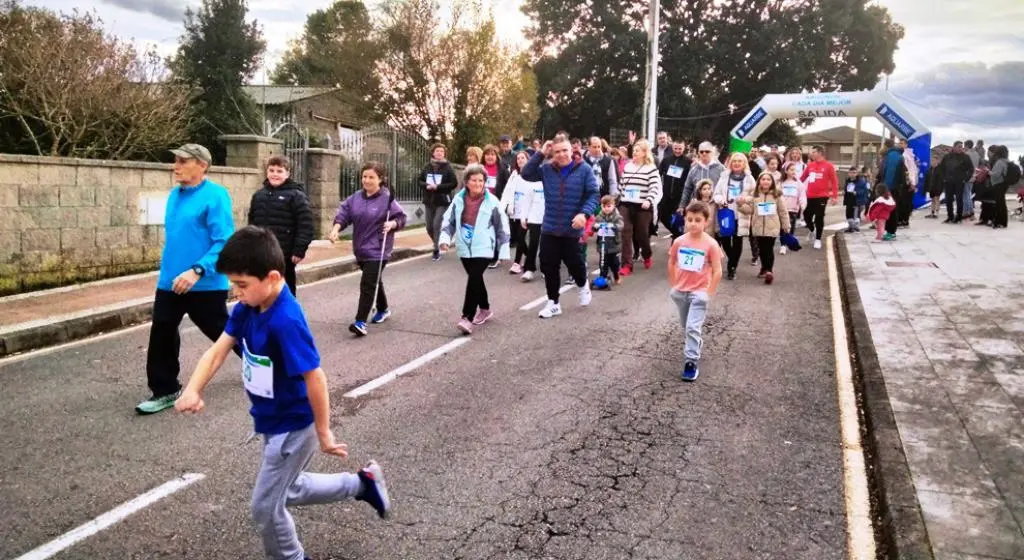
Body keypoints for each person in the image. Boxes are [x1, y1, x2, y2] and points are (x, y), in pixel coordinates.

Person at [174, 226, 390, 560]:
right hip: (271, 419)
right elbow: (217, 351)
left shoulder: (286, 320)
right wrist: (192, 389)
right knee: (290, 488)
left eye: (242, 284)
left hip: (293, 424)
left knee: (265, 507)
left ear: (273, 277)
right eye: (233, 283)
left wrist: (323, 431)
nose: (235, 292)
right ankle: (363, 484)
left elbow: (314, 376)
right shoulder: (249, 307)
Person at [136, 143, 235, 415]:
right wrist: (172, 274)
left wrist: (197, 270)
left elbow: (223, 241)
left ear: (202, 165)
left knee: (225, 333)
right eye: (176, 161)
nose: (176, 166)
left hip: (204, 283)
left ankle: (267, 366)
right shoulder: (174, 195)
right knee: (162, 333)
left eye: (183, 161)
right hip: (170, 282)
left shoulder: (216, 196)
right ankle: (165, 389)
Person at [520, 138, 601, 319]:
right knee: (549, 264)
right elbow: (526, 173)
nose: (561, 155)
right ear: (552, 153)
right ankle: (553, 302)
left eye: (564, 150)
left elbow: (594, 195)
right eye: (557, 152)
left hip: (572, 227)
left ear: (571, 150)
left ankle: (582, 284)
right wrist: (541, 153)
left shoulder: (584, 170)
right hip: (549, 226)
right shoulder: (547, 169)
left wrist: (584, 214)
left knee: (574, 263)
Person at [329, 163, 406, 337]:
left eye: (371, 177)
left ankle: (360, 321)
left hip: (379, 248)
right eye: (364, 176)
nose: (367, 180)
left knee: (368, 284)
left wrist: (393, 224)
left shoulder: (387, 198)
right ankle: (384, 308)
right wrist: (335, 229)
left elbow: (401, 217)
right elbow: (344, 214)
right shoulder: (356, 197)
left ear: (380, 179)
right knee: (375, 280)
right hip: (361, 248)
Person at [438, 164, 511, 334]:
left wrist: (504, 250)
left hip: (485, 246)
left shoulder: (492, 202)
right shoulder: (458, 199)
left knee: (474, 277)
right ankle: (485, 309)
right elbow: (448, 220)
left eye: (481, 180)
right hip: (465, 246)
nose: (478, 183)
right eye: (474, 180)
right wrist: (444, 239)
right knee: (475, 278)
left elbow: (502, 226)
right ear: (466, 182)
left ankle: (467, 317)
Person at [667, 200, 724, 382]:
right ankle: (696, 343)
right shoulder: (679, 241)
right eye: (689, 219)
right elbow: (671, 262)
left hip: (699, 292)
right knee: (686, 326)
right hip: (680, 291)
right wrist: (674, 284)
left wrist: (709, 292)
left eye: (698, 220)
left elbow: (717, 270)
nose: (693, 223)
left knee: (692, 327)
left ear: (706, 222)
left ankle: (691, 362)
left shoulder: (711, 244)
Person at [248, 156, 313, 297]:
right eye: (271, 170)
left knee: (284, 290)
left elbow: (306, 224)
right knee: (263, 290)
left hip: (285, 253)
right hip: (262, 253)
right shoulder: (258, 196)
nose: (275, 174)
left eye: (279, 171)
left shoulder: (296, 196)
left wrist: (299, 250)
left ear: (287, 174)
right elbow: (252, 224)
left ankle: (288, 317)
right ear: (266, 172)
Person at [617, 138, 663, 275]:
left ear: (644, 153)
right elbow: (622, 185)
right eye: (634, 150)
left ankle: (647, 254)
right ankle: (626, 264)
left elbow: (655, 187)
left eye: (637, 150)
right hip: (626, 203)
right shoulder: (627, 167)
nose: (634, 153)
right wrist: (618, 197)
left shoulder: (651, 168)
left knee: (641, 234)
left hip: (643, 205)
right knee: (625, 232)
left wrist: (649, 200)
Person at [739, 172, 790, 285]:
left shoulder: (777, 195)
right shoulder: (755, 195)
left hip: (772, 227)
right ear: (759, 182)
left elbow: (783, 211)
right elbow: (749, 210)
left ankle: (769, 271)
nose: (766, 181)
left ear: (772, 182)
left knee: (769, 249)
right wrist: (740, 205)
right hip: (757, 227)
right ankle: (764, 268)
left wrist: (786, 225)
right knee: (761, 250)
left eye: (768, 179)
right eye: (763, 179)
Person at [712, 152, 756, 280]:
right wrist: (721, 200)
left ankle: (732, 267)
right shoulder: (724, 177)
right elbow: (717, 193)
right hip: (726, 213)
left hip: (741, 214)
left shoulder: (749, 178)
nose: (736, 163)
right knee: (725, 240)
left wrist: (745, 199)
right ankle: (732, 258)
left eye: (739, 161)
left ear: (744, 163)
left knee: (737, 241)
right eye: (734, 161)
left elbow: (754, 196)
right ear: (731, 163)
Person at [501, 151, 540, 274]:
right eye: (518, 158)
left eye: (523, 158)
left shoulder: (533, 175)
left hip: (528, 211)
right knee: (519, 239)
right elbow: (508, 191)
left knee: (521, 236)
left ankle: (517, 263)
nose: (520, 160)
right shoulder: (514, 174)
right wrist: (504, 206)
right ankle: (529, 258)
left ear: (528, 160)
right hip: (515, 211)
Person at [418, 143, 459, 261]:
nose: (439, 153)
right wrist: (427, 186)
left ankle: (436, 249)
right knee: (429, 227)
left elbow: (453, 183)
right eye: (437, 151)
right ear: (433, 153)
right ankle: (439, 242)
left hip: (442, 200)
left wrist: (438, 187)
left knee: (437, 225)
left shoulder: (448, 167)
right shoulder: (427, 166)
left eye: (442, 151)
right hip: (429, 200)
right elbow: (420, 180)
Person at [800, 145, 839, 249]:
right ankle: (812, 230)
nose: (811, 154)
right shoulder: (810, 165)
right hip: (810, 196)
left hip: (822, 196)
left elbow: (834, 181)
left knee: (819, 217)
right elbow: (802, 178)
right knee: (806, 215)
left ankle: (818, 239)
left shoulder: (828, 166)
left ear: (820, 153)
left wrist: (834, 196)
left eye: (813, 152)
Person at [482, 144, 511, 268]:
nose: (490, 157)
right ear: (484, 156)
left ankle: (495, 256)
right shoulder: (479, 168)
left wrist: (506, 203)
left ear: (496, 156)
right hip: (481, 203)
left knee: (494, 229)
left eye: (492, 154)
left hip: (497, 203)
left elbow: (508, 187)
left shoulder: (502, 168)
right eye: (487, 154)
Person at [935, 141, 975, 224]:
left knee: (959, 199)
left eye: (961, 146)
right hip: (948, 181)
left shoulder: (965, 157)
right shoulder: (947, 156)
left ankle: (959, 217)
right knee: (948, 199)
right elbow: (941, 168)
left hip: (960, 181)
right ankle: (950, 216)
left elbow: (971, 169)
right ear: (954, 147)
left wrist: (966, 179)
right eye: (959, 146)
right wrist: (944, 178)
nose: (961, 148)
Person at [659, 141, 692, 238]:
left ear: (684, 148)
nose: (677, 151)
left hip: (680, 196)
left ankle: (678, 238)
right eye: (675, 148)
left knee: (679, 219)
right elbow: (658, 174)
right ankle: (677, 234)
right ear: (672, 147)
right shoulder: (666, 160)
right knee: (663, 217)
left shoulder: (688, 162)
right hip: (666, 195)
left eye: (680, 149)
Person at [680, 141, 726, 209]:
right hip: (697, 207)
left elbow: (726, 188)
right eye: (701, 152)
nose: (704, 154)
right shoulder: (693, 169)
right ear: (698, 153)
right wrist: (682, 206)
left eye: (707, 151)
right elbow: (687, 189)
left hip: (715, 207)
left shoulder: (721, 169)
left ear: (712, 152)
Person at [592, 195, 624, 287]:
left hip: (613, 245)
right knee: (603, 263)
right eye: (604, 206)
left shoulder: (617, 217)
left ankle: (616, 276)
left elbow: (621, 226)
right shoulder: (599, 217)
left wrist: (613, 226)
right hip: (602, 245)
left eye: (609, 206)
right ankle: (603, 277)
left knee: (614, 263)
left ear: (613, 206)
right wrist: (595, 226)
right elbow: (593, 226)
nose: (606, 208)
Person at [779, 162, 807, 256]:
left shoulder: (799, 184)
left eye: (794, 170)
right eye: (791, 170)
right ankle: (783, 245)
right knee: (783, 228)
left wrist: (803, 204)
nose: (793, 172)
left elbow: (802, 195)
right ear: (786, 171)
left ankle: (789, 243)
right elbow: (777, 195)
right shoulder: (781, 183)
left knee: (791, 228)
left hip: (793, 209)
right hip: (783, 209)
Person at [843, 165, 867, 233]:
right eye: (851, 172)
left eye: (854, 172)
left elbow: (864, 190)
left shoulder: (861, 181)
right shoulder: (847, 180)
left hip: (856, 201)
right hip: (848, 200)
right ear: (849, 173)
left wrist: (857, 192)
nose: (852, 174)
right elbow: (846, 188)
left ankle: (855, 228)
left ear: (857, 173)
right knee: (848, 215)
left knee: (855, 216)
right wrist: (844, 191)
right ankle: (850, 227)